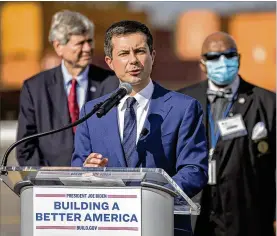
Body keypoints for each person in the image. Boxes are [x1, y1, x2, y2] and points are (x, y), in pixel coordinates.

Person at [71, 20, 208, 235]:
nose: (133, 60)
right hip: (109, 226)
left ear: (152, 56)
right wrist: (87, 171)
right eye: (124, 53)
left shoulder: (184, 107)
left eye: (140, 51)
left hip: (163, 224)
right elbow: (78, 165)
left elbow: (194, 170)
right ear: (110, 61)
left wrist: (151, 196)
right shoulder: (93, 111)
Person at [179, 32, 276, 236]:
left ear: (238, 59)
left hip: (246, 212)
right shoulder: (181, 100)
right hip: (196, 211)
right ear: (202, 63)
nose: (222, 62)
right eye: (214, 57)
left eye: (229, 55)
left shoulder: (267, 102)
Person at [16, 10, 119, 166]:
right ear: (58, 47)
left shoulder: (112, 83)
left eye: (89, 41)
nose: (87, 48)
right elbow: (25, 147)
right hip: (51, 183)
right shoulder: (35, 88)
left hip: (99, 180)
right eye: (79, 43)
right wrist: (46, 179)